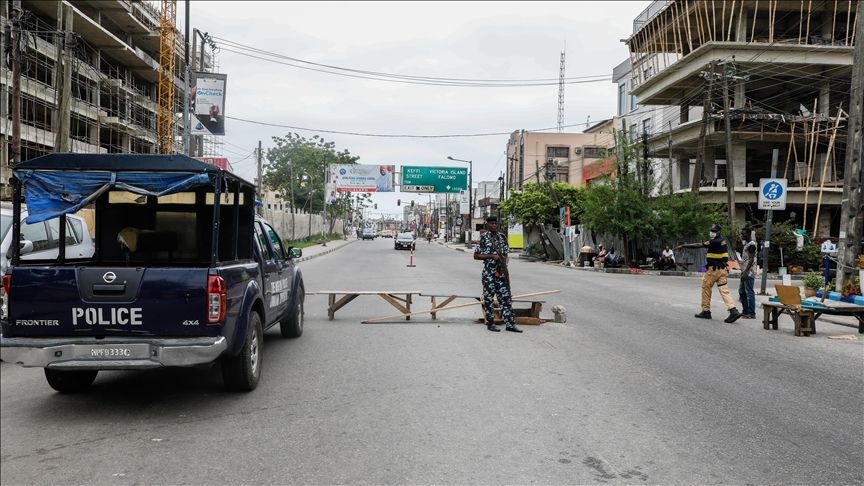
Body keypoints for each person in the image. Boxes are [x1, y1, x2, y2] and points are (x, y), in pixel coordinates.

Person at [676, 224, 741, 323]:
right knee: (724, 290)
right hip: (723, 269)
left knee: (706, 287)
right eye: (711, 231)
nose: (712, 233)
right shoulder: (723, 240)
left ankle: (706, 311)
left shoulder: (715, 241)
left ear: (718, 232)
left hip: (713, 270)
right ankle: (733, 310)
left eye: (713, 231)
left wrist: (684, 245)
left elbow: (699, 245)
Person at [474, 215, 520, 333]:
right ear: (487, 225)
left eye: (495, 223)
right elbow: (476, 255)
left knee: (506, 298)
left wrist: (504, 265)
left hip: (501, 273)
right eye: (491, 223)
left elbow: (506, 254)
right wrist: (491, 256)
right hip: (489, 273)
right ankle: (490, 323)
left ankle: (510, 323)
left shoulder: (502, 237)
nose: (494, 225)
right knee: (489, 299)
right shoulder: (484, 238)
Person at [738, 228, 758, 319]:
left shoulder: (752, 245)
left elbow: (751, 259)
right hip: (744, 271)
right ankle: (745, 311)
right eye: (741, 234)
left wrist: (746, 272)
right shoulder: (747, 244)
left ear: (749, 234)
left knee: (749, 292)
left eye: (743, 234)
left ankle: (751, 313)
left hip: (749, 272)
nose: (742, 235)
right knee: (741, 291)